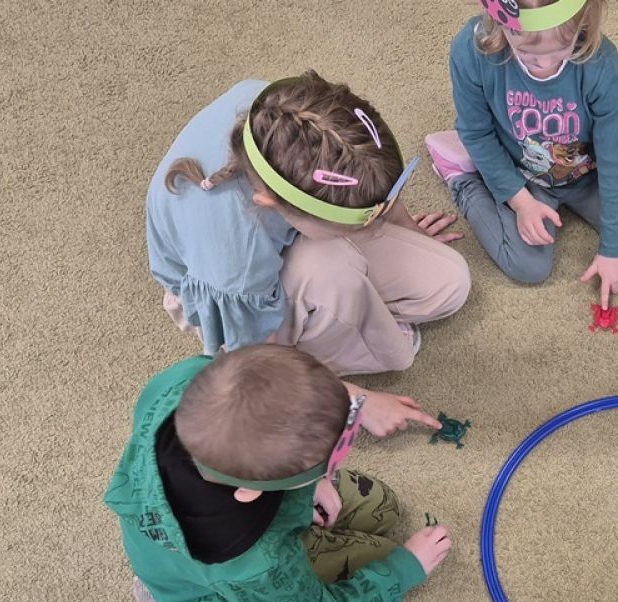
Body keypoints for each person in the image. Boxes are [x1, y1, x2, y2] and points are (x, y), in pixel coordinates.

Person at [104, 346, 452, 602]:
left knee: (384, 506)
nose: (340, 459)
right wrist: (404, 571)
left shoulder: (186, 380)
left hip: (249, 511)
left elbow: (279, 386)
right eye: (330, 462)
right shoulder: (256, 567)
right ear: (253, 492)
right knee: (386, 555)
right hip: (207, 578)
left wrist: (317, 476)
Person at [148, 71, 470, 376]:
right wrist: (358, 401)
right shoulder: (236, 266)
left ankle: (340, 308)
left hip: (289, 229)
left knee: (450, 281)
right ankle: (330, 336)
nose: (373, 226)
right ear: (271, 203)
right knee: (341, 279)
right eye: (358, 225)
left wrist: (409, 229)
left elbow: (378, 183)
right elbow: (259, 361)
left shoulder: (285, 113)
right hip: (238, 298)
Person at [427, 0, 618, 305]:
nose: (543, 65)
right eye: (527, 53)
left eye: (560, 50)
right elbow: (477, 132)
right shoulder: (471, 50)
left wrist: (613, 249)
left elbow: (613, 162)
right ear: (501, 24)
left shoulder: (601, 64)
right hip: (522, 172)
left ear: (583, 23)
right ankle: (461, 177)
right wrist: (520, 201)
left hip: (587, 170)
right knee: (527, 266)